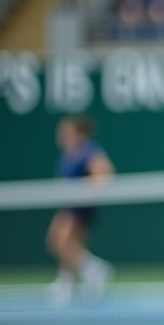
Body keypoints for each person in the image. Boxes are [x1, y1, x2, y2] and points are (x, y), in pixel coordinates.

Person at [46, 114, 115, 306]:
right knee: (67, 244)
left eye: (66, 131)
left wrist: (85, 194)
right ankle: (68, 284)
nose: (61, 135)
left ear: (79, 133)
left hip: (80, 207)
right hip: (70, 204)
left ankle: (93, 269)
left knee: (58, 241)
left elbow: (105, 173)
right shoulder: (68, 154)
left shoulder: (88, 151)